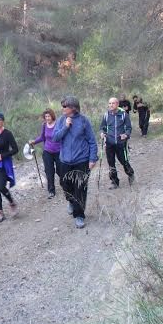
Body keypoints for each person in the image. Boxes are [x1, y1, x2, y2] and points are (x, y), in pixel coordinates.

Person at [52, 96, 98, 229]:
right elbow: (54, 138)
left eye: (65, 106)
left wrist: (92, 158)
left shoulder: (84, 121)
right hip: (64, 160)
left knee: (80, 188)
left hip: (81, 160)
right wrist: (66, 127)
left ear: (73, 108)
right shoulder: (61, 121)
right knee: (65, 184)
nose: (62, 108)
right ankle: (71, 201)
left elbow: (91, 141)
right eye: (62, 106)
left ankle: (79, 215)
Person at [100, 98, 135, 189]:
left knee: (123, 161)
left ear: (117, 104)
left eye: (113, 103)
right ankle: (114, 182)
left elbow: (129, 128)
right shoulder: (106, 115)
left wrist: (126, 135)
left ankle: (130, 174)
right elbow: (102, 127)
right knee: (111, 163)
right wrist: (102, 133)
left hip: (120, 143)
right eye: (109, 103)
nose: (111, 105)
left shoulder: (124, 114)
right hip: (109, 143)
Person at [29, 108, 62, 199]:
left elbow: (62, 135)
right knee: (49, 171)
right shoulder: (44, 125)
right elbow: (42, 137)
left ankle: (64, 183)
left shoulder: (58, 124)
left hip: (59, 151)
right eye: (46, 116)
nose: (47, 118)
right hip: (47, 151)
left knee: (60, 170)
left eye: (49, 116)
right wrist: (34, 142)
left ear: (52, 116)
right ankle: (51, 191)